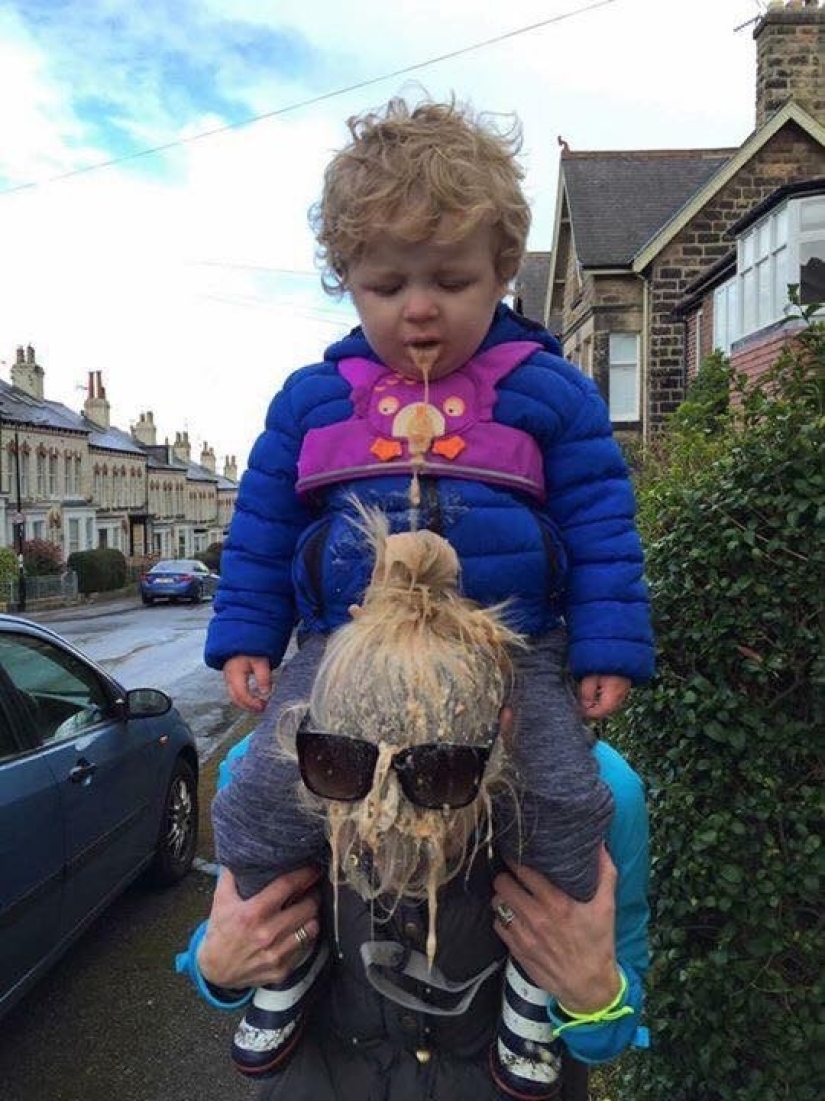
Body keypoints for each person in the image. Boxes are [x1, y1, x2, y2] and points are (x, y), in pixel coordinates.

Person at [203, 95, 654, 1087]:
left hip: (511, 649)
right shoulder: (313, 401)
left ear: (504, 270)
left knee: (569, 800)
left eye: (452, 280)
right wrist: (248, 635)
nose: (418, 307)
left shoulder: (548, 392)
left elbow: (601, 524)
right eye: (385, 283)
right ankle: (279, 963)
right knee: (258, 792)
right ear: (347, 284)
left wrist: (608, 647)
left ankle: (540, 996)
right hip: (341, 652)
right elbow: (265, 526)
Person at [180, 518, 650, 1100]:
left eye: (439, 771)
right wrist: (217, 969)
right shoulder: (273, 773)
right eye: (346, 763)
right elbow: (226, 942)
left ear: (502, 723)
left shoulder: (604, 795)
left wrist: (595, 996)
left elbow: (615, 1024)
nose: (384, 805)